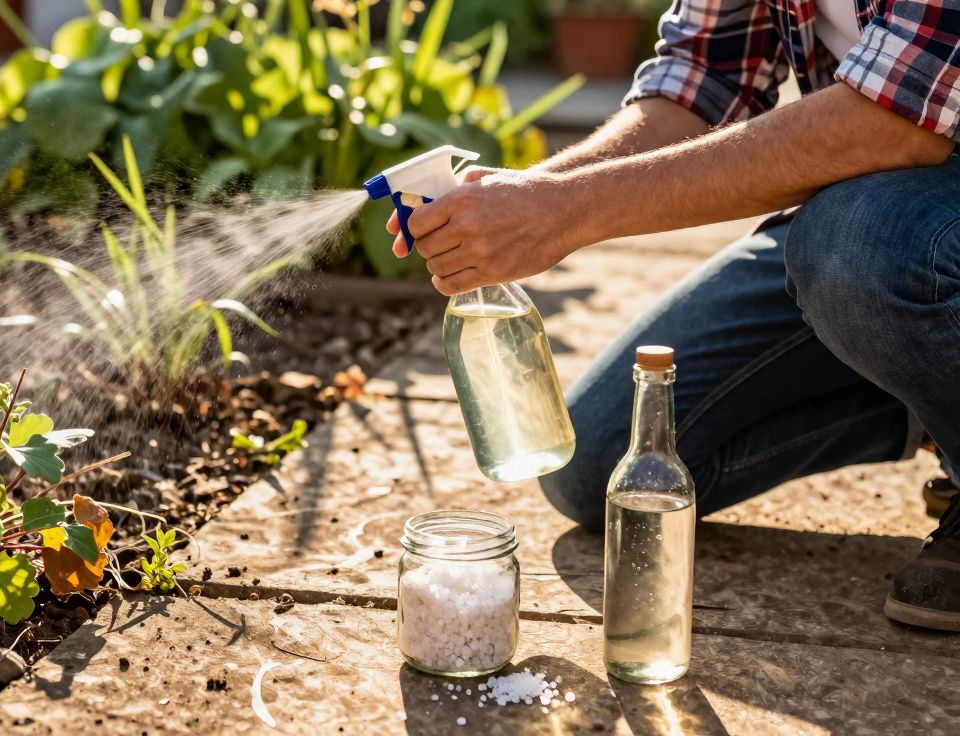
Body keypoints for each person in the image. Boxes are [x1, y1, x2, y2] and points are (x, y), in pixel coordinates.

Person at [387, 0, 960, 631]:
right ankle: (928, 381)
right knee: (605, 466)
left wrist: (562, 210)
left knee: (853, 246)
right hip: (874, 216)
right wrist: (528, 194)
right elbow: (699, 80)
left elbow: (892, 126)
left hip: (886, 223)